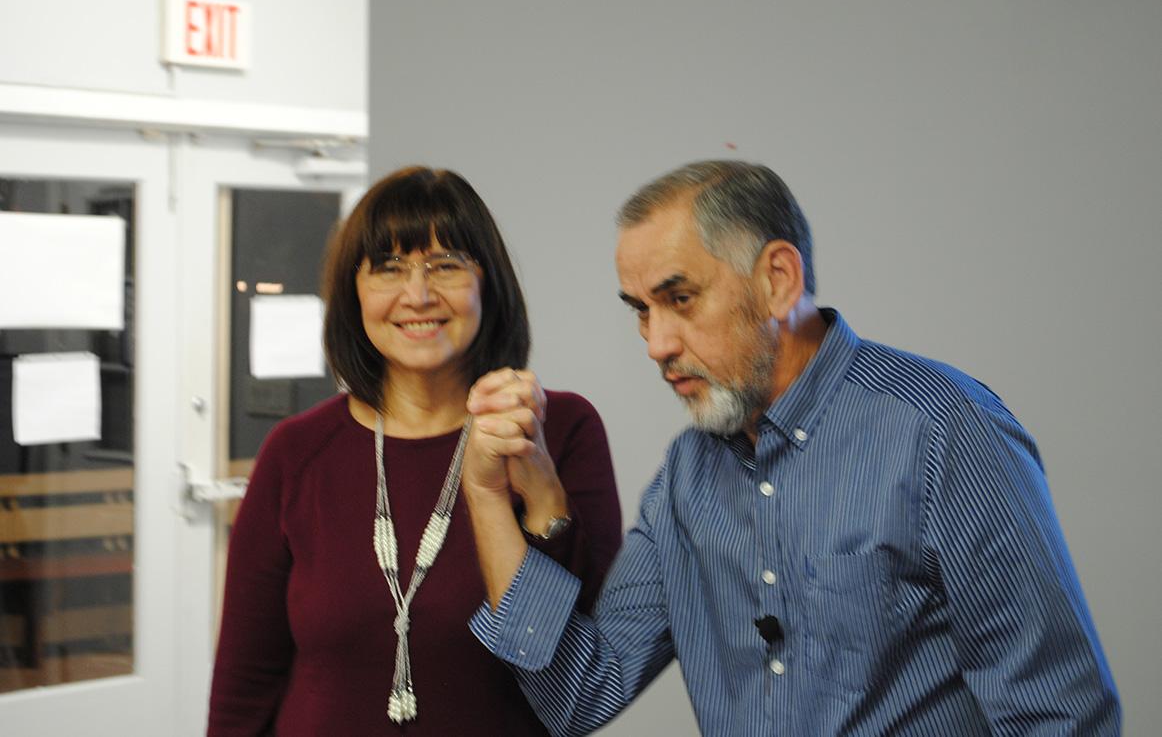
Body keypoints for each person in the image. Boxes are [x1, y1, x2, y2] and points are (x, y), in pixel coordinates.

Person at [461, 160, 1120, 735]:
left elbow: (1056, 713)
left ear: (777, 279)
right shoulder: (687, 477)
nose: (656, 344)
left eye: (680, 299)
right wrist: (487, 495)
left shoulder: (942, 428)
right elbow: (579, 693)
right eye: (640, 309)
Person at [207, 166, 622, 736]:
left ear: (487, 282)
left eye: (446, 265)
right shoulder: (296, 452)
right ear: (353, 292)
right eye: (389, 268)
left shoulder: (559, 429)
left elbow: (577, 663)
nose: (418, 295)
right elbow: (244, 682)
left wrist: (540, 490)